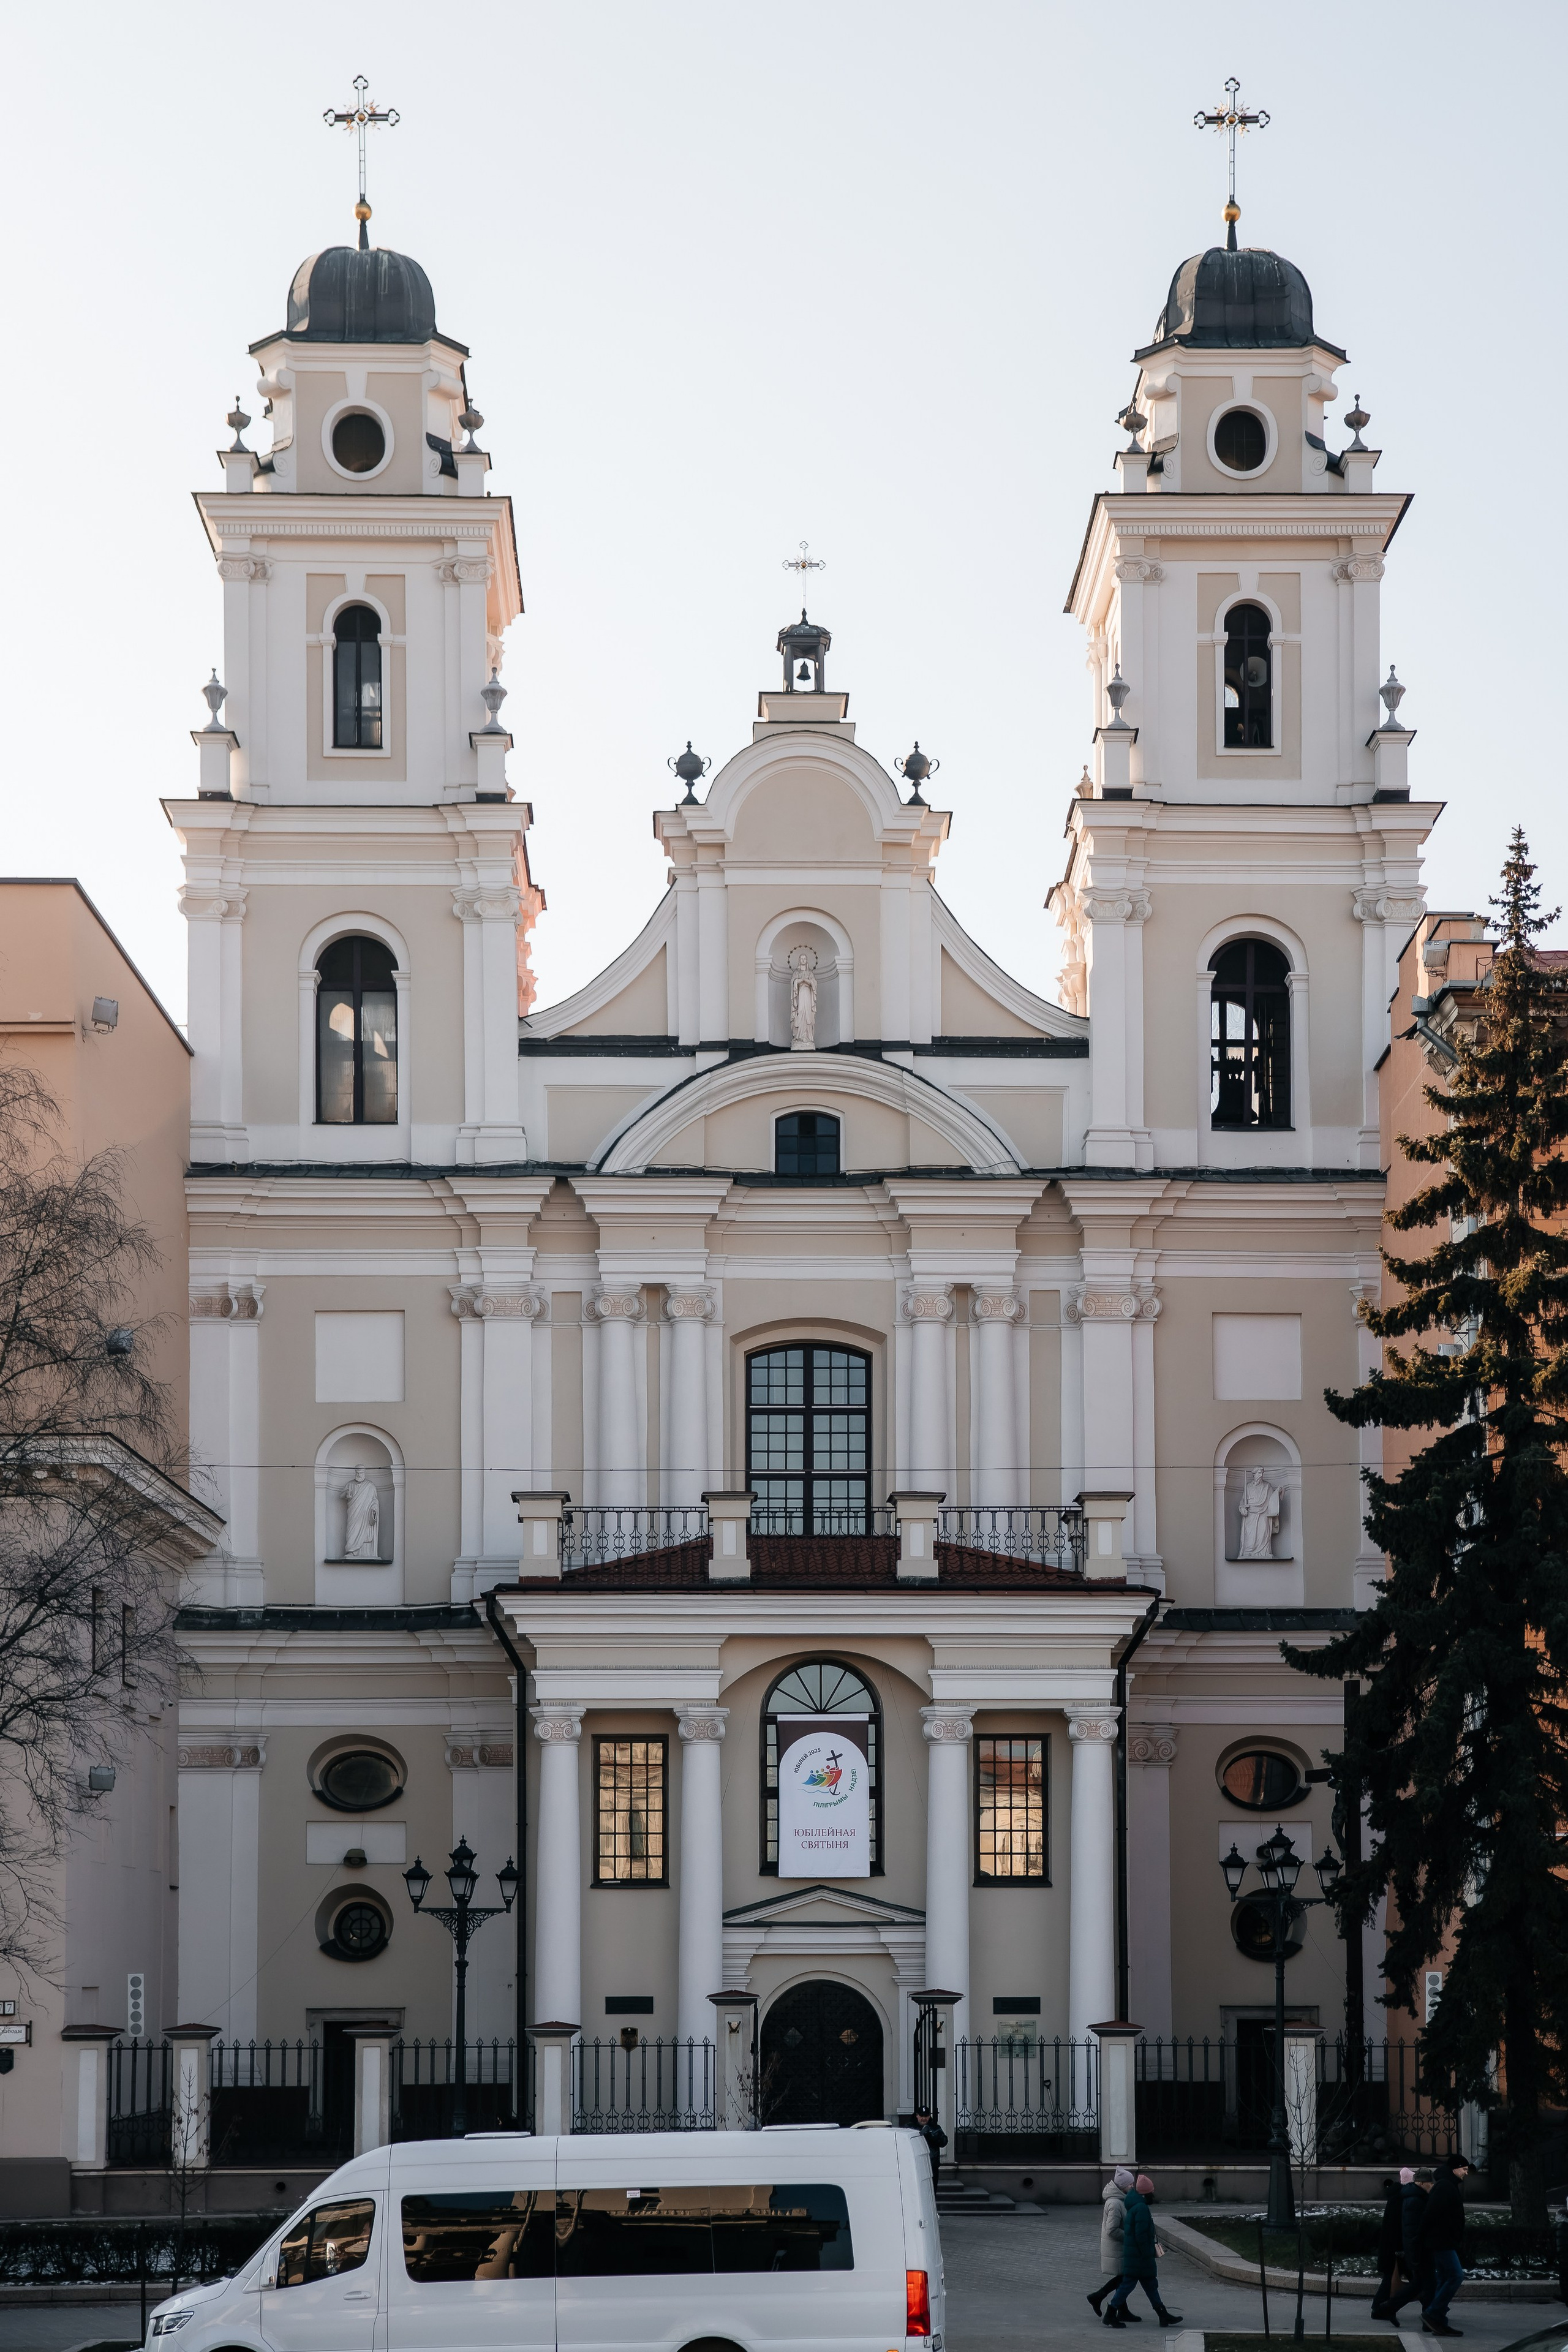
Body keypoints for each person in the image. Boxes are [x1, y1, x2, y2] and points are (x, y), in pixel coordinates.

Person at [1103, 2173, 1183, 2328]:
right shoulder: (1141, 2209)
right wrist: (1147, 2254)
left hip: (1136, 2255)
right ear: (1146, 2194)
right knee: (1129, 2285)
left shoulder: (1136, 2206)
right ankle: (1111, 2313)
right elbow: (1140, 2235)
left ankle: (1163, 2315)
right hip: (1139, 2257)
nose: (1153, 2195)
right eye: (1152, 2192)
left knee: (1149, 2285)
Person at [1419, 2155, 1471, 2335]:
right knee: (1456, 2276)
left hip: (1442, 2241)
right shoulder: (1445, 2187)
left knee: (1443, 2279)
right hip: (1442, 2242)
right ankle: (1433, 2314)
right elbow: (1431, 2214)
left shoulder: (1447, 2185)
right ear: (1454, 2169)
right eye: (1464, 2169)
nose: (1466, 2172)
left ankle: (1436, 2321)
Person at [1385, 2168, 1434, 2324]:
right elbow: (1414, 2229)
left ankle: (1389, 2308)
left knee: (1420, 2284)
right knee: (1426, 2284)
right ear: (1420, 2183)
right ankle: (1429, 2317)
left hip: (1417, 2249)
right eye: (1429, 2183)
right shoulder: (1415, 2200)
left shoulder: (1414, 2197)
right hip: (1419, 2250)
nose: (1432, 2186)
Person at [1089, 2169, 1137, 2320]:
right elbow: (1112, 2230)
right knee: (1126, 2277)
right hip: (1117, 2247)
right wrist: (1130, 2237)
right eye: (1130, 2184)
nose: (1132, 2186)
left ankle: (1122, 2310)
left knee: (1124, 2277)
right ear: (1122, 2186)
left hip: (1119, 2247)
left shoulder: (1120, 2200)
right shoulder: (1115, 2203)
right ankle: (1098, 2296)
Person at [1371, 2170, 1414, 2318]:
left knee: (1393, 2278)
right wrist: (1400, 2248)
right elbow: (1397, 2226)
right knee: (1418, 2280)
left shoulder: (1396, 2197)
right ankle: (1433, 2308)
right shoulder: (1401, 2199)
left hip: (1394, 2247)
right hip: (1397, 2248)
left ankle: (1433, 2307)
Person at [913, 2105, 947, 2188]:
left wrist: (931, 2136)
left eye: (926, 2116)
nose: (924, 2119)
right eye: (921, 2116)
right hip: (916, 2165)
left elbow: (944, 2142)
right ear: (917, 2116)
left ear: (929, 2116)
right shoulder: (911, 2128)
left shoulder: (936, 2128)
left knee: (932, 2189)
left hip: (932, 2165)